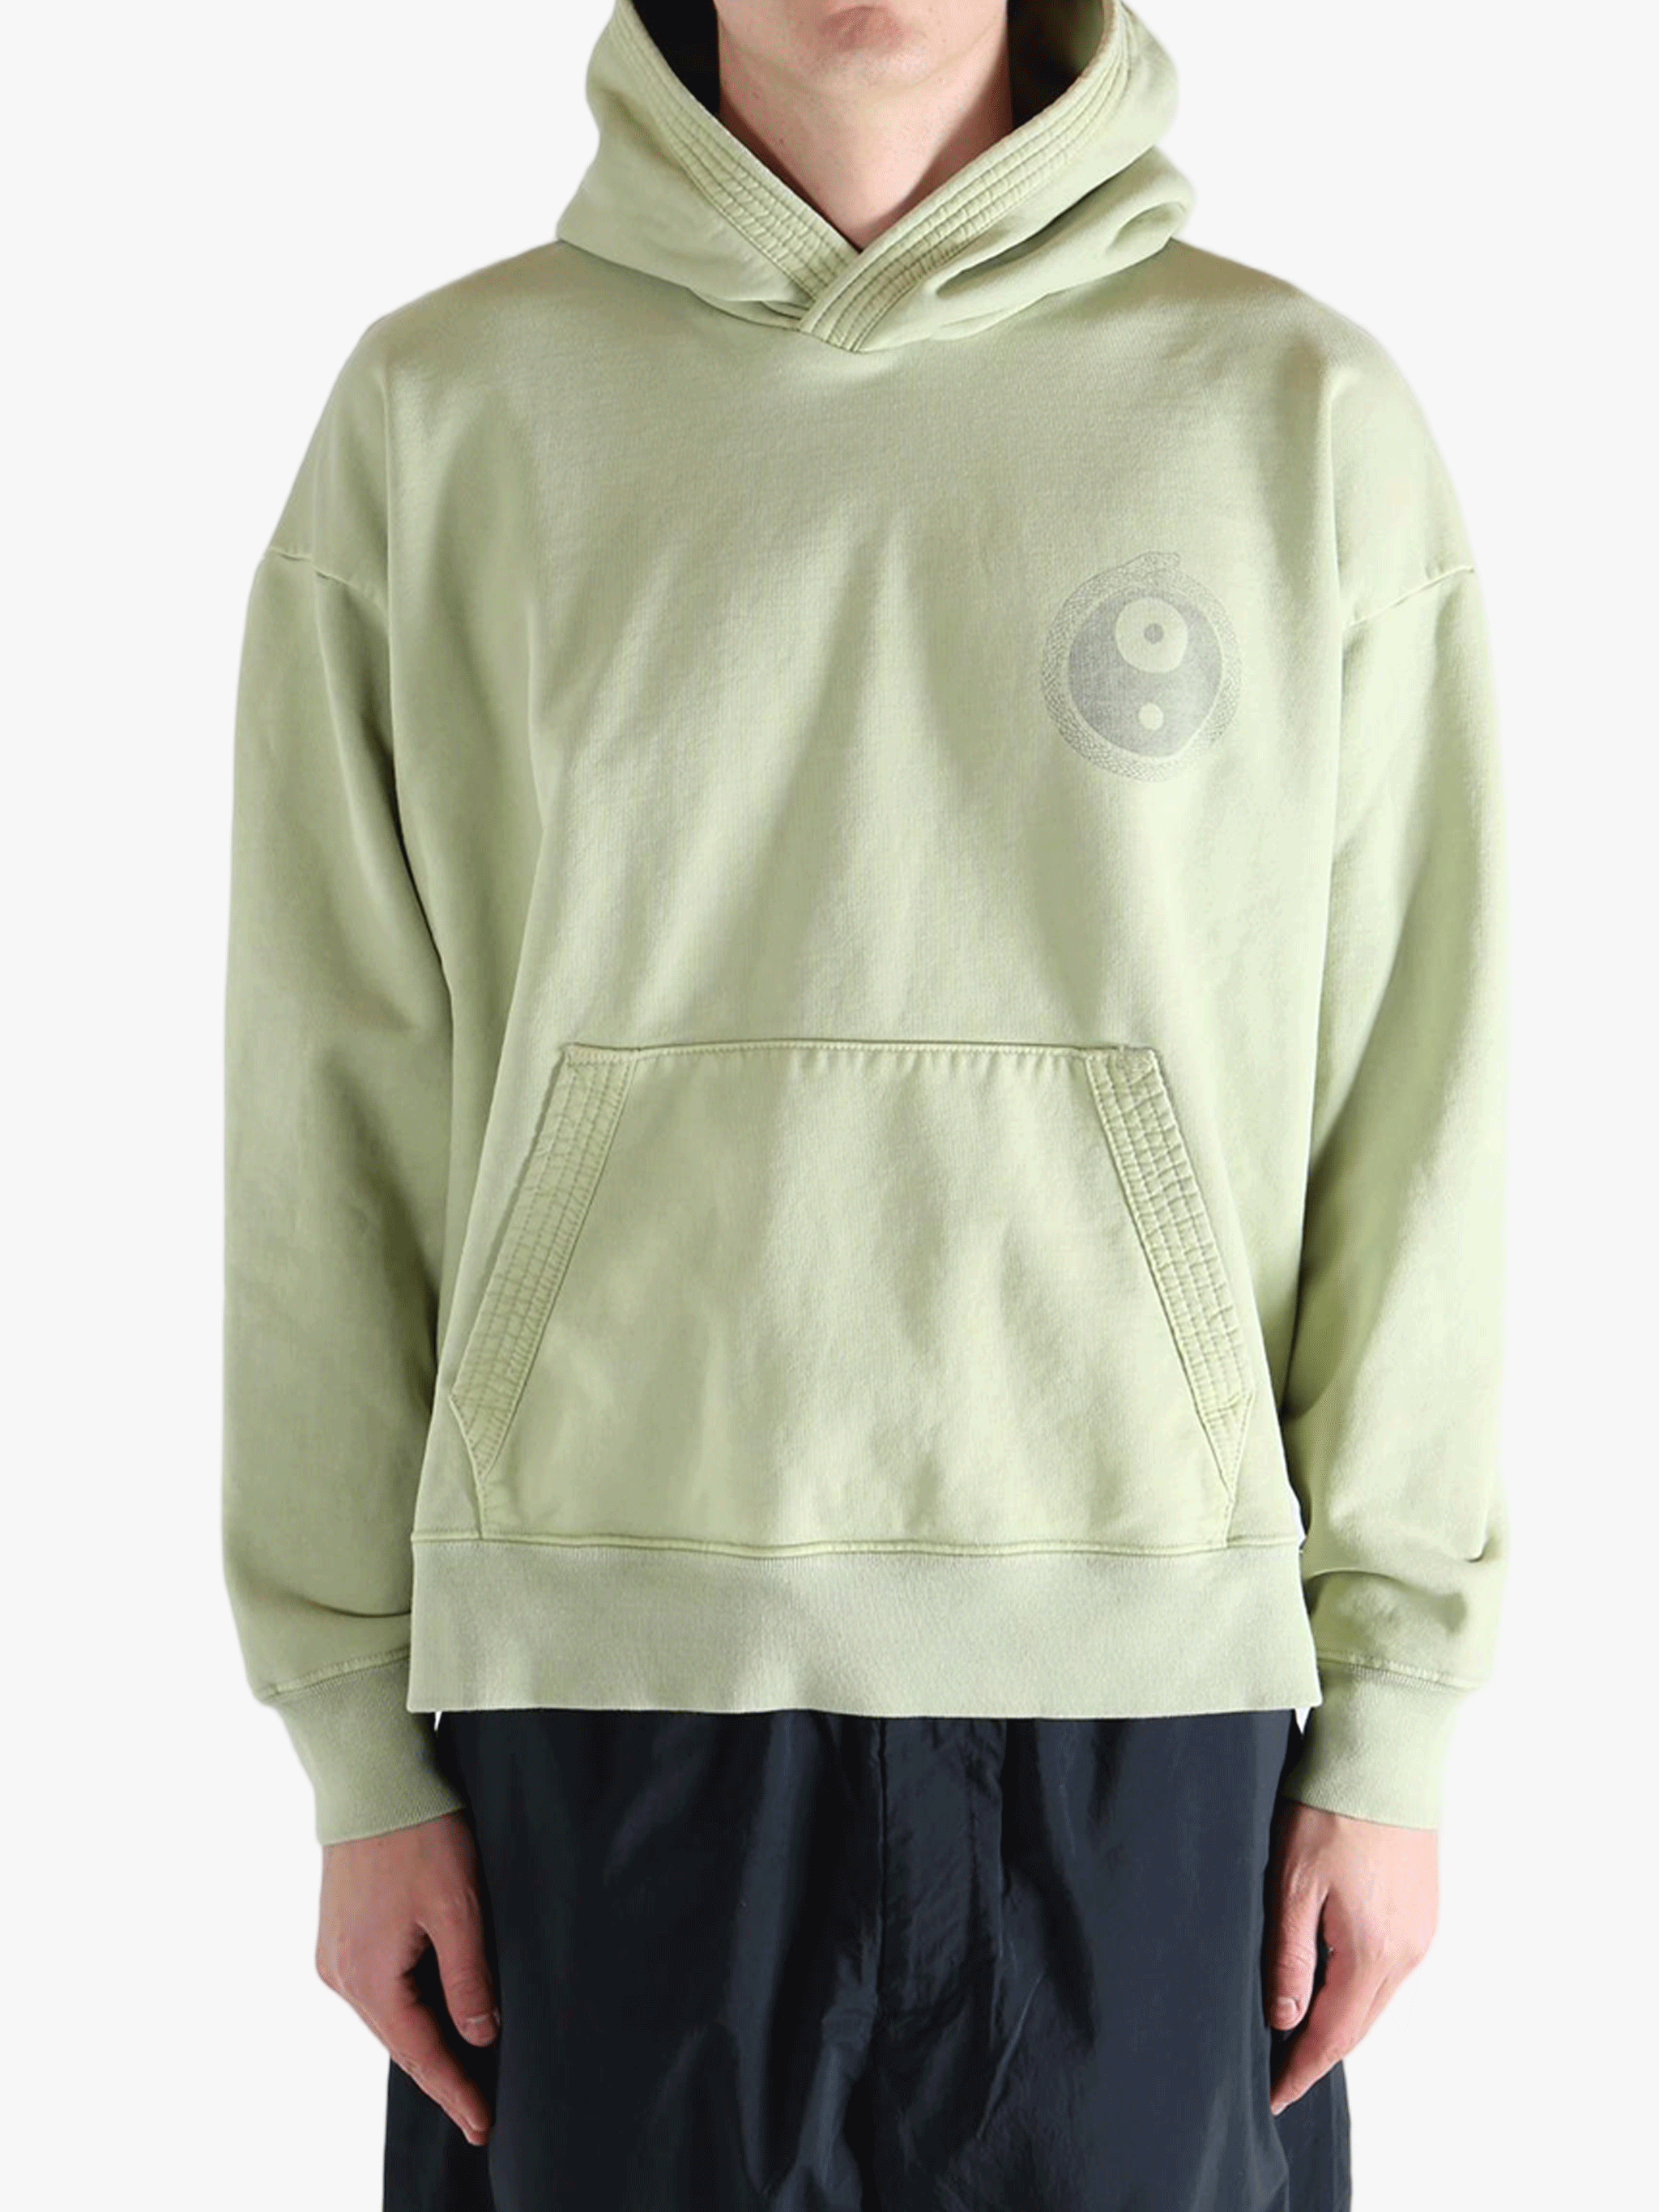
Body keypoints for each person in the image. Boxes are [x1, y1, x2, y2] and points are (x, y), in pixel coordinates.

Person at [220, 2, 1509, 2206]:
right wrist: (355, 1740)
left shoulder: (1300, 419)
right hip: (599, 1685)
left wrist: (1396, 1717)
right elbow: (324, 1109)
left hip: (1154, 1696)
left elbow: (1414, 1098)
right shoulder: (444, 418)